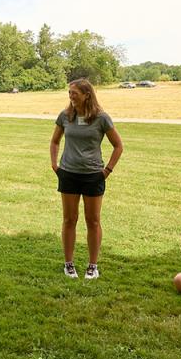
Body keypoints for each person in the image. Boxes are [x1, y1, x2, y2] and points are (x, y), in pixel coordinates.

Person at [49, 78, 123, 280]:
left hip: (93, 176)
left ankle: (92, 265)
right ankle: (69, 264)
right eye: (69, 93)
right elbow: (55, 141)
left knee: (93, 221)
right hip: (69, 174)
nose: (71, 97)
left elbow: (118, 146)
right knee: (69, 219)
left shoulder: (101, 118)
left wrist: (107, 170)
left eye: (75, 93)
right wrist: (55, 164)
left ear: (87, 95)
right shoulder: (65, 116)